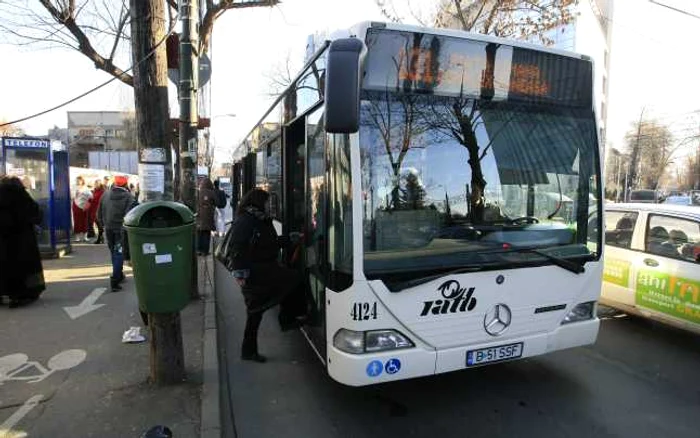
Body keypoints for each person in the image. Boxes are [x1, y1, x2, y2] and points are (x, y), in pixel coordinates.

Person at [230, 188, 307, 362]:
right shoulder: (247, 221)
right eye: (266, 202)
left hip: (263, 270)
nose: (270, 206)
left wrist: (290, 239)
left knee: (255, 313)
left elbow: (269, 243)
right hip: (255, 273)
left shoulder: (259, 219)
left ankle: (248, 351)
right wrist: (241, 275)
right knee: (294, 280)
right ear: (258, 202)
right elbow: (237, 249)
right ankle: (286, 319)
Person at [0, 176, 46, 308]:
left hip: (2, 239)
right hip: (22, 239)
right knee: (23, 267)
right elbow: (36, 213)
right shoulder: (21, 195)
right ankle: (21, 295)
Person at [98, 175, 136, 292]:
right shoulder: (129, 197)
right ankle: (115, 279)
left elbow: (98, 213)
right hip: (121, 230)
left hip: (108, 228)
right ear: (125, 185)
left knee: (113, 252)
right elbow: (130, 215)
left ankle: (118, 274)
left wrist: (102, 225)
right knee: (119, 253)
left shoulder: (105, 194)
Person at [196, 178, 217, 255]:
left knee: (199, 233)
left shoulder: (198, 192)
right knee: (206, 233)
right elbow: (217, 202)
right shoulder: (212, 193)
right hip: (208, 215)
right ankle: (205, 251)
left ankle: (198, 250)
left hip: (199, 215)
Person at [72, 176, 92, 242]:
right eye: (77, 180)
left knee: (84, 221)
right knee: (77, 221)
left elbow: (91, 196)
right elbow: (71, 196)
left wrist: (87, 204)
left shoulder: (86, 188)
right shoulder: (74, 187)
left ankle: (85, 237)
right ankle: (77, 237)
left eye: (79, 180)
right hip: (76, 205)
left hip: (84, 206)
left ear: (82, 181)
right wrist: (75, 194)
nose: (78, 181)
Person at [90, 179, 106, 244]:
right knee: (98, 225)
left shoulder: (102, 191)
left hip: (99, 210)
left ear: (100, 184)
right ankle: (100, 238)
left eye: (97, 183)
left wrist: (91, 200)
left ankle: (100, 238)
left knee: (99, 225)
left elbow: (98, 200)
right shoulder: (95, 191)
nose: (95, 185)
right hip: (94, 210)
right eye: (95, 183)